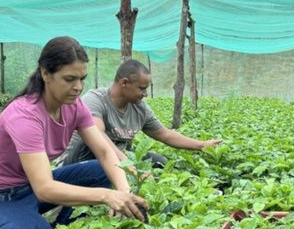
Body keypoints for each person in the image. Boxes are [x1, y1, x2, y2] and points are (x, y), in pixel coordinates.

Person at [0, 36, 147, 229]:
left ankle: (62, 226)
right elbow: (44, 188)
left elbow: (104, 151)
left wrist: (123, 191)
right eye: (69, 79)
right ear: (45, 74)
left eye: (82, 78)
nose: (78, 87)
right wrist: (106, 196)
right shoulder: (25, 115)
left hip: (29, 191)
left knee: (101, 170)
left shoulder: (74, 106)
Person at [59, 60, 222, 168]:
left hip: (119, 160)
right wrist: (127, 166)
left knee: (159, 163)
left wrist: (202, 145)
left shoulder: (139, 108)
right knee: (98, 158)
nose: (145, 94)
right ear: (124, 83)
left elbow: (164, 134)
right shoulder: (95, 100)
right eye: (142, 88)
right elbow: (97, 135)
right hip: (80, 163)